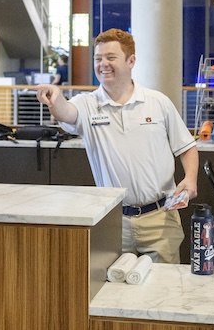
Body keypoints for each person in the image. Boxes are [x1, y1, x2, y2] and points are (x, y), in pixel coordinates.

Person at [35, 28, 198, 264]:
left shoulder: (158, 102)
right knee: (112, 295)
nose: (103, 64)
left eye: (111, 58)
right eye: (98, 59)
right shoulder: (87, 104)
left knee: (162, 294)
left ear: (131, 61)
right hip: (112, 222)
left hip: (160, 219)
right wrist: (55, 98)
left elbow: (186, 146)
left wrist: (191, 178)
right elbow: (67, 112)